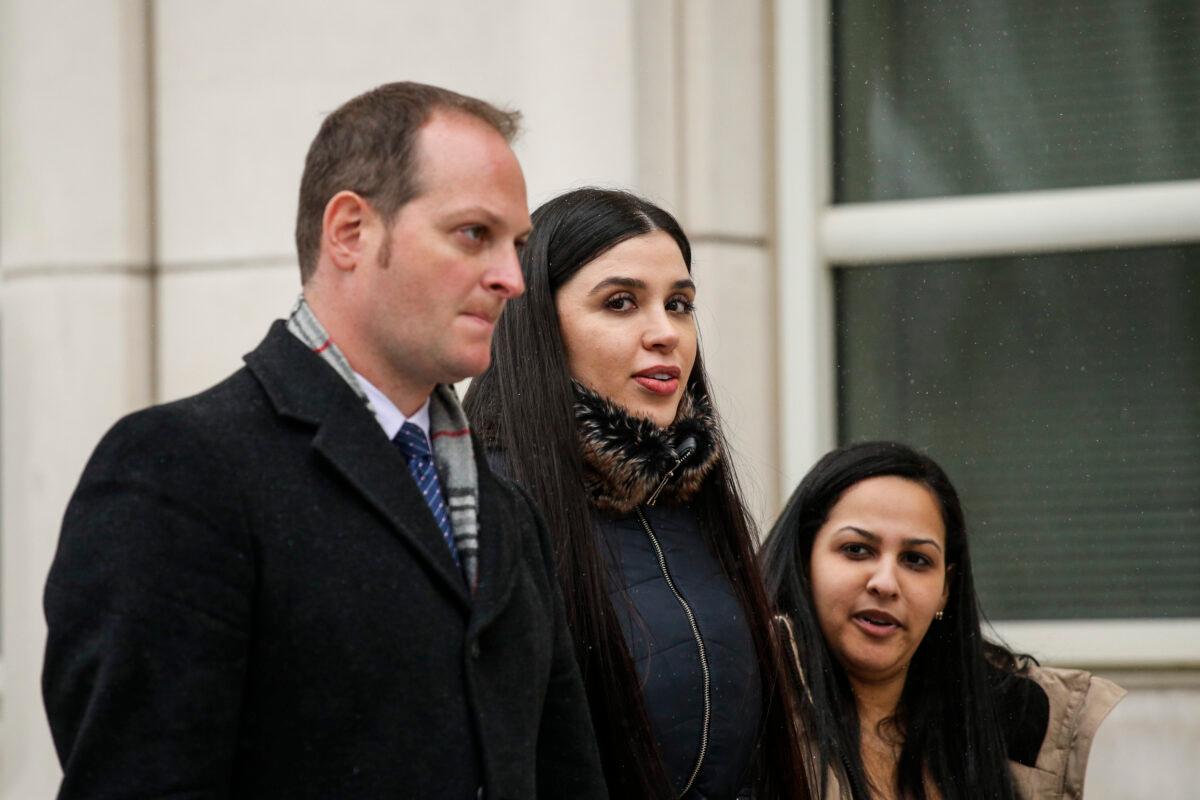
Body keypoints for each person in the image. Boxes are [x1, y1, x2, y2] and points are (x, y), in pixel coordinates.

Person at [42, 82, 607, 799]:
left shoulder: (507, 512)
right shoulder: (177, 471)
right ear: (350, 231)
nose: (512, 279)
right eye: (475, 234)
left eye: (517, 244)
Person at [463, 187, 807, 799]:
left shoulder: (695, 494)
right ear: (537, 321)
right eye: (621, 303)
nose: (664, 333)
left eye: (679, 305)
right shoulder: (485, 508)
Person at [760, 441, 1125, 800]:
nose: (885, 583)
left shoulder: (1013, 734)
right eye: (857, 550)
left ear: (945, 589)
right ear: (804, 563)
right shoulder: (740, 716)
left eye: (916, 560)